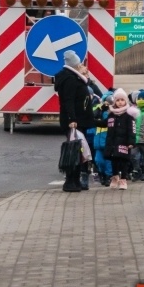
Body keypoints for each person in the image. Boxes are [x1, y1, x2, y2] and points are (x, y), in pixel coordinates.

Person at [54, 49, 95, 193]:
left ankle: (75, 180)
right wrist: (72, 119)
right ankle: (70, 181)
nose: (81, 65)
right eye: (79, 62)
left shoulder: (73, 77)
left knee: (78, 151)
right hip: (74, 122)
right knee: (74, 151)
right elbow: (68, 101)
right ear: (75, 64)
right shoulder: (70, 79)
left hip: (79, 121)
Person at [104, 88, 137, 190]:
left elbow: (132, 129)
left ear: (126, 101)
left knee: (123, 161)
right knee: (114, 160)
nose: (120, 102)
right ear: (114, 102)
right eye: (117, 100)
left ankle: (123, 180)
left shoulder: (128, 115)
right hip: (113, 142)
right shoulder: (111, 114)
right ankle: (115, 177)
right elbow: (105, 123)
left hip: (124, 142)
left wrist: (131, 141)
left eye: (122, 100)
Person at [93, 90, 115, 187]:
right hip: (98, 140)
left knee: (108, 161)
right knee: (98, 160)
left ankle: (108, 176)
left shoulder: (114, 111)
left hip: (108, 140)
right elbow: (93, 115)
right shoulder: (99, 109)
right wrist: (101, 109)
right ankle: (101, 173)